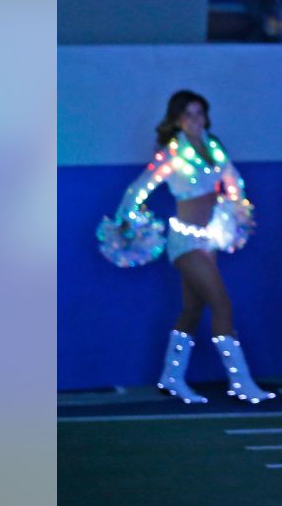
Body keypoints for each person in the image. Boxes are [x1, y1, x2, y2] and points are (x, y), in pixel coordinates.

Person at [99, 90, 272, 404]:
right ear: (177, 118)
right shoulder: (173, 153)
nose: (195, 120)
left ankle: (172, 377)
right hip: (185, 240)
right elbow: (139, 188)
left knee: (193, 309)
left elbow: (234, 181)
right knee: (221, 304)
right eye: (188, 114)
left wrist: (237, 205)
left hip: (210, 239)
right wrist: (127, 218)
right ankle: (241, 382)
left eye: (200, 113)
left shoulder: (214, 148)